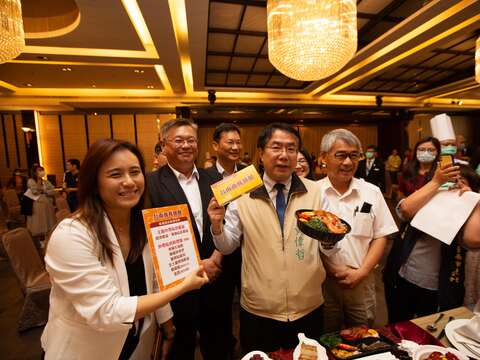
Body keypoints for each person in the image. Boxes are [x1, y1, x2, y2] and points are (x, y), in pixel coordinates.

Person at [41, 139, 208, 360]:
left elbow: (155, 281)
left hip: (137, 345)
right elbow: (106, 311)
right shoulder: (72, 235)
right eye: (115, 174)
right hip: (87, 351)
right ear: (94, 182)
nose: (129, 182)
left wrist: (168, 329)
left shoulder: (139, 223)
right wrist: (182, 287)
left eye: (135, 172)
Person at [208, 123, 337, 354]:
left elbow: (327, 249)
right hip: (259, 309)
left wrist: (330, 240)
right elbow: (227, 246)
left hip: (308, 305)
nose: (284, 155)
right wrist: (217, 225)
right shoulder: (242, 194)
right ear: (260, 153)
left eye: (291, 149)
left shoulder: (316, 191)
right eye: (276, 147)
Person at [147, 119, 231, 360]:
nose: (186, 145)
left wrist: (215, 258)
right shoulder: (150, 184)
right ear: (164, 145)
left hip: (215, 277)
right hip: (176, 287)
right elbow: (152, 239)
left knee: (218, 345)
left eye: (191, 140)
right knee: (180, 349)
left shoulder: (214, 180)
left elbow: (229, 224)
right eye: (179, 140)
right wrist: (196, 266)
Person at [384, 137, 479, 322]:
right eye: (450, 181)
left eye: (459, 182)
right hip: (403, 276)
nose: (453, 187)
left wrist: (471, 199)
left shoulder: (469, 212)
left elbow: (473, 240)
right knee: (397, 324)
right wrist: (436, 184)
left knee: (428, 330)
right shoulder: (430, 197)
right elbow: (404, 210)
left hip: (439, 288)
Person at [318, 129, 398, 332]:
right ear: (323, 158)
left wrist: (361, 273)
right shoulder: (312, 193)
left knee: (363, 335)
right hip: (323, 281)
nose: (348, 162)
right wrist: (334, 270)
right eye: (340, 155)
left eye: (354, 155)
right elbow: (308, 239)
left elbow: (381, 235)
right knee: (327, 335)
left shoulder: (371, 192)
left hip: (362, 281)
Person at [205, 122, 244, 356]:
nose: (235, 147)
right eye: (230, 142)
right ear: (215, 145)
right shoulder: (205, 177)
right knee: (219, 307)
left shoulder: (251, 175)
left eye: (238, 142)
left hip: (247, 251)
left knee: (249, 304)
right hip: (216, 252)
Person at [26, 164, 56, 237]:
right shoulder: (31, 181)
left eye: (42, 170)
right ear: (34, 172)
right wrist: (44, 190)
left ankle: (47, 237)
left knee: (48, 222)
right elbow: (35, 191)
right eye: (39, 170)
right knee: (39, 223)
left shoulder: (45, 182)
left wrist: (45, 191)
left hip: (47, 204)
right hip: (37, 204)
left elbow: (53, 191)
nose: (42, 172)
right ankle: (40, 239)